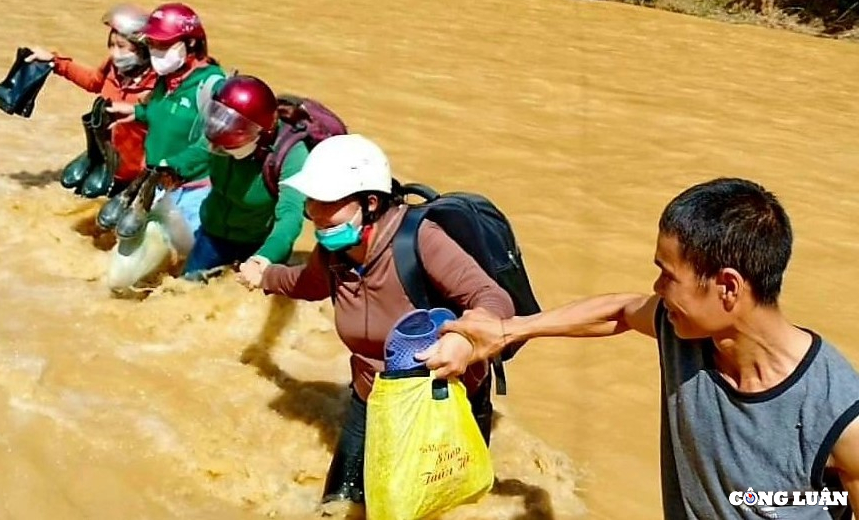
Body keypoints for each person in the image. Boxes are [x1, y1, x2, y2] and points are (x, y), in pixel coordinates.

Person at [419, 177, 859, 519]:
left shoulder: (837, 415)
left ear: (727, 287)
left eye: (668, 275)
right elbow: (621, 311)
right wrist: (510, 330)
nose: (657, 288)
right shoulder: (683, 329)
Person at [237, 134, 514, 506]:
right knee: (337, 508)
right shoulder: (334, 251)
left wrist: (466, 336)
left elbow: (493, 298)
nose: (315, 213)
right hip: (372, 399)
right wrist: (264, 276)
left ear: (370, 202)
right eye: (312, 202)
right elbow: (306, 283)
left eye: (327, 201)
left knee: (438, 507)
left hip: (440, 405)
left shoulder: (419, 241)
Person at [106, 2, 224, 240]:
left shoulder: (214, 86)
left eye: (163, 44)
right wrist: (138, 113)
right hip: (156, 184)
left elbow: (216, 143)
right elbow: (165, 112)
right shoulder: (166, 78)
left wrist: (172, 165)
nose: (155, 51)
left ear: (190, 43)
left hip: (192, 192)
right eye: (151, 44)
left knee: (179, 262)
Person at [181, 74, 309, 282]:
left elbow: (290, 217)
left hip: (261, 243)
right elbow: (196, 154)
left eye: (228, 144)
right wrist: (166, 170)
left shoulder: (292, 155)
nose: (218, 147)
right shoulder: (224, 128)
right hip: (213, 236)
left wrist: (263, 259)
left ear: (261, 134)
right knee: (185, 293)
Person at [27, 4, 156, 191]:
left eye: (122, 47)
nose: (114, 54)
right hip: (106, 154)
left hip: (136, 169)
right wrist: (54, 62)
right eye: (111, 46)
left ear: (143, 50)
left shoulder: (159, 85)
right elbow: (92, 81)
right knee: (70, 182)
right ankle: (95, 157)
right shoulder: (112, 67)